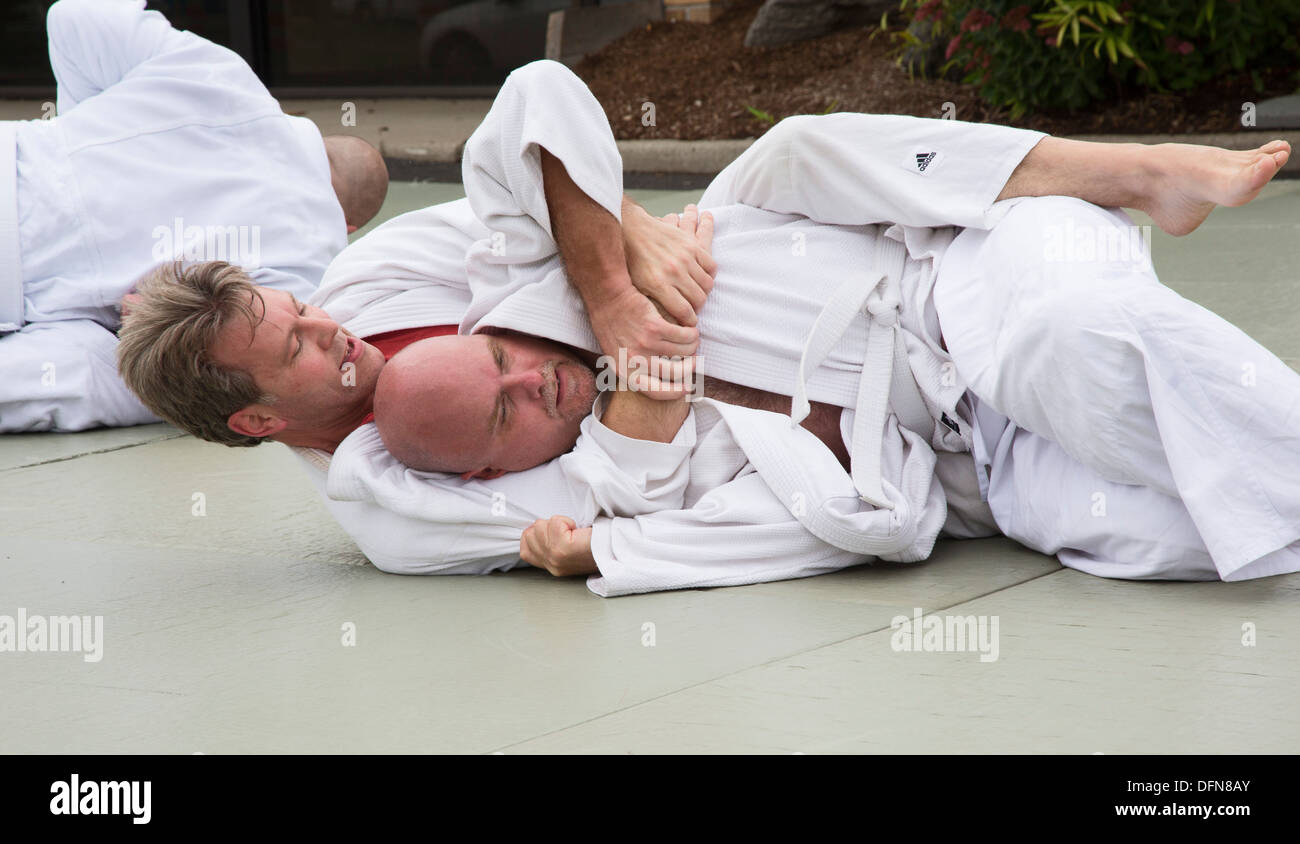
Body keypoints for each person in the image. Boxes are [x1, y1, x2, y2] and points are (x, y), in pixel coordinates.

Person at [118, 60, 1295, 594]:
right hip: (947, 457)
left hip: (950, 267)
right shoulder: (398, 508)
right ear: (263, 414)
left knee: (1057, 338)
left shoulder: (371, 284)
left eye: (300, 310)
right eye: (296, 351)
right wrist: (636, 406)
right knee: (1173, 537)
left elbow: (533, 132)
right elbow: (613, 496)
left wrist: (622, 258)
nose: (334, 335)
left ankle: (1136, 170)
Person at [0, 0, 387, 433]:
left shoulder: (215, 72)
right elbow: (200, 369)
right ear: (349, 227)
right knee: (119, 377)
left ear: (316, 133)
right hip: (22, 291)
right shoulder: (307, 268)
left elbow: (76, 16)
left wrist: (85, 134)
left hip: (11, 158)